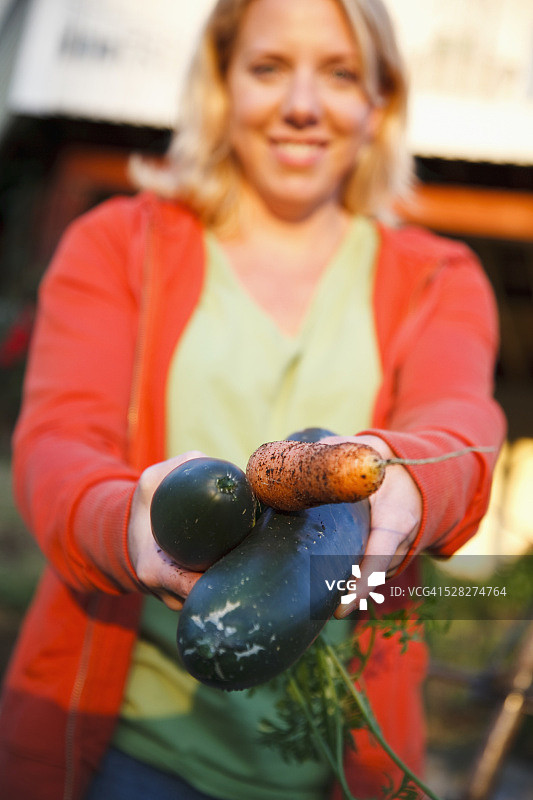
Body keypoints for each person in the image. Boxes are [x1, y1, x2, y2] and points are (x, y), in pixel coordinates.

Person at [0, 0, 505, 798]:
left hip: (337, 761)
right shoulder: (116, 246)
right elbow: (56, 441)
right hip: (131, 748)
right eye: (268, 68)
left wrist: (403, 472)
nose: (301, 105)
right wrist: (124, 519)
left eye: (338, 73)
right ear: (221, 86)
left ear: (378, 102)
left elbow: (463, 420)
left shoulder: (437, 280)